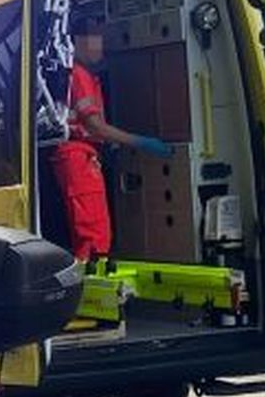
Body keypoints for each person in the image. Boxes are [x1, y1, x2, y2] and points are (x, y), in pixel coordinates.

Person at [51, 15, 174, 262]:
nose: (101, 46)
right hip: (78, 156)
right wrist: (140, 142)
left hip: (80, 156)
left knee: (92, 233)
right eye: (95, 40)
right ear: (78, 42)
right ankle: (92, 292)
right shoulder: (78, 75)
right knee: (94, 238)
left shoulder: (80, 75)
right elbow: (95, 127)